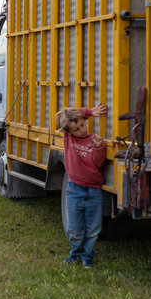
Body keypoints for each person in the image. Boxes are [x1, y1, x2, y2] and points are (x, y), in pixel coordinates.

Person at [55, 103, 107, 269]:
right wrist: (90, 112)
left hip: (94, 191)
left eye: (83, 125)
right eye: (76, 129)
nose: (82, 130)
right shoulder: (69, 139)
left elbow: (99, 163)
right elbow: (63, 115)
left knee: (93, 229)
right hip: (74, 190)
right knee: (74, 229)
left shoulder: (93, 139)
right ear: (68, 132)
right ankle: (75, 254)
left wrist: (99, 147)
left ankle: (87, 257)